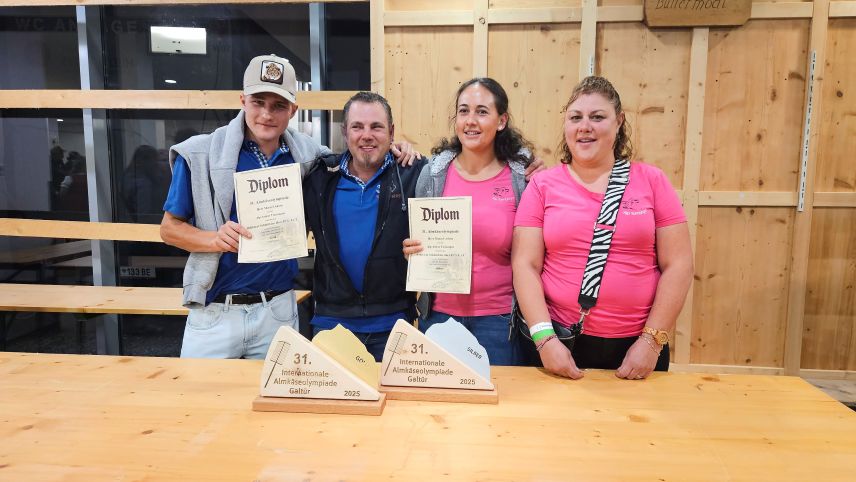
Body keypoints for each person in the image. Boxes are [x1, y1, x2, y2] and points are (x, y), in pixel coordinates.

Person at [160, 55, 417, 359]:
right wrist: (213, 239)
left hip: (278, 311)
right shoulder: (199, 154)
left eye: (279, 105)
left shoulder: (309, 158)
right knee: (202, 405)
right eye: (258, 102)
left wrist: (395, 148)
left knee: (276, 405)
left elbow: (358, 153)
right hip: (216, 312)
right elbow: (169, 229)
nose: (267, 114)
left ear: (293, 110)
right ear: (242, 101)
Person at [512, 76, 693, 380]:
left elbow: (679, 264)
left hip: (639, 347)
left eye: (597, 117)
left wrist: (651, 341)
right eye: (576, 117)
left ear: (619, 121)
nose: (585, 126)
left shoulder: (652, 181)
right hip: (560, 343)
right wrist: (544, 340)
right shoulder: (543, 185)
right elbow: (525, 264)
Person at [402, 77, 540, 366]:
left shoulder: (521, 179)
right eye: (463, 111)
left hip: (500, 322)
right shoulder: (433, 175)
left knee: (498, 407)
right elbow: (419, 241)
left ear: (501, 120)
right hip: (439, 317)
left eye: (482, 111)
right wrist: (413, 251)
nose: (470, 120)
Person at [303, 91, 426, 362]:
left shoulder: (413, 174)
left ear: (391, 132)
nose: (366, 135)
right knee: (328, 405)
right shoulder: (319, 179)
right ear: (345, 132)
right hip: (331, 324)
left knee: (396, 405)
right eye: (357, 127)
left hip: (394, 325)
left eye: (376, 127)